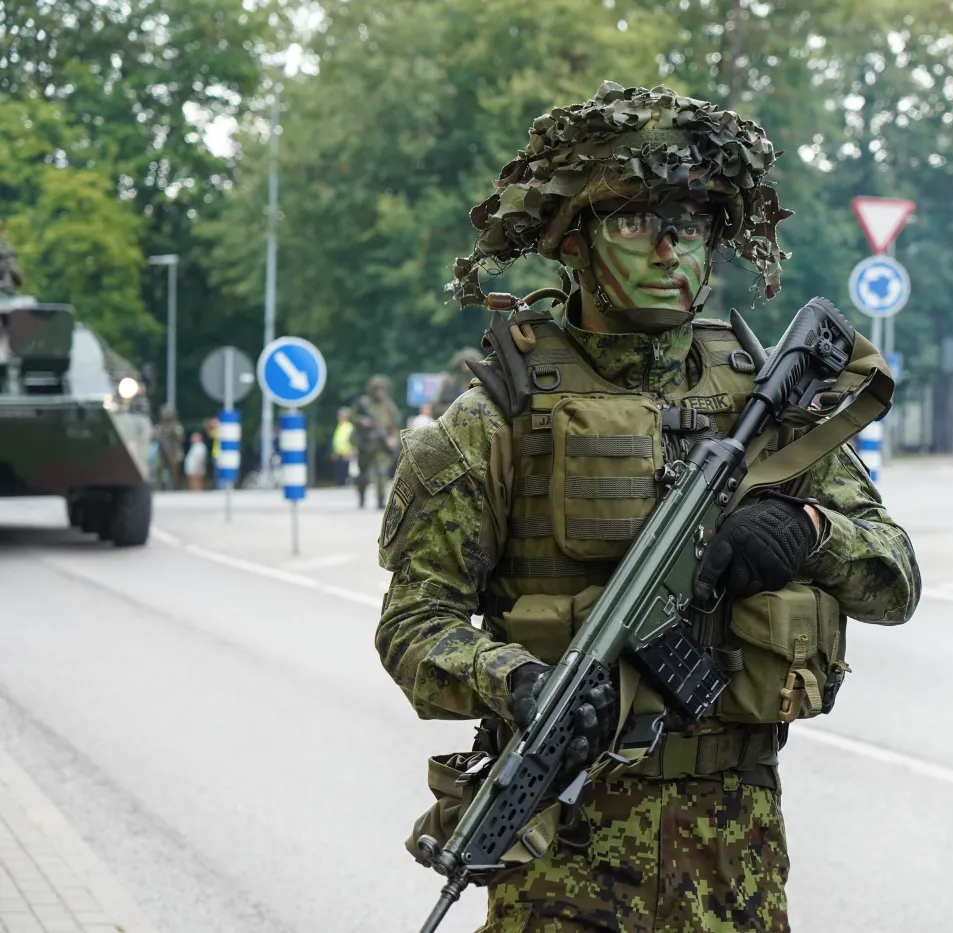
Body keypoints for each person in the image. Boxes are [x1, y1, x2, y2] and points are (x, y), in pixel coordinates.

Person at [375, 82, 921, 933]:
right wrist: (517, 680)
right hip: (564, 861)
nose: (671, 251)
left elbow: (897, 580)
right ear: (573, 243)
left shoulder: (768, 409)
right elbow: (413, 624)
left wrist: (809, 531)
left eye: (693, 227)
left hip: (734, 862)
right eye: (635, 224)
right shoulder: (495, 422)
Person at [352, 375, 401, 509]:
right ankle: (361, 496)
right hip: (366, 444)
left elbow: (395, 425)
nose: (380, 392)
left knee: (381, 471)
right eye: (377, 389)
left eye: (382, 389)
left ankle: (380, 500)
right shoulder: (364, 403)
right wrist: (362, 421)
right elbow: (352, 417)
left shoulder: (389, 405)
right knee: (363, 473)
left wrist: (393, 438)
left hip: (382, 445)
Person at [431, 346, 483, 418]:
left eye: (469, 362)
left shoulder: (482, 383)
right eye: (463, 363)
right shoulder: (451, 383)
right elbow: (437, 408)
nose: (466, 366)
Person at [154, 406, 185, 490]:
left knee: (174, 471)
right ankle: (159, 487)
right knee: (158, 468)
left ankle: (174, 487)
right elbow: (155, 436)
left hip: (173, 451)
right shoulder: (161, 425)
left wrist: (173, 435)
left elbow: (181, 437)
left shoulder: (175, 425)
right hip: (162, 452)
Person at [331, 407, 356, 487]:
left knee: (346, 472)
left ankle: (346, 484)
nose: (339, 417)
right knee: (339, 471)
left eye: (341, 415)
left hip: (346, 453)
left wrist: (349, 451)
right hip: (339, 453)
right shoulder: (339, 426)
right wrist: (335, 451)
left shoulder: (349, 426)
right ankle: (340, 484)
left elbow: (352, 440)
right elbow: (337, 440)